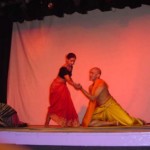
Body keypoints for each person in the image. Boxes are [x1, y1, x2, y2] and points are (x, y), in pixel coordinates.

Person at [79, 67, 145, 127]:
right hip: (101, 109)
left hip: (110, 106)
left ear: (98, 75)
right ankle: (112, 123)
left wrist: (81, 88)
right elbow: (95, 102)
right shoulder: (90, 87)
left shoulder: (101, 83)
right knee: (88, 123)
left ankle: (139, 121)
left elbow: (93, 98)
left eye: (92, 73)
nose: (90, 74)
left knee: (130, 122)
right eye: (90, 73)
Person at [45, 53, 80, 127]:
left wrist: (74, 84)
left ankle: (64, 123)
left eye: (74, 61)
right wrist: (75, 85)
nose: (72, 62)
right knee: (55, 105)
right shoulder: (63, 68)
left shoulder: (70, 67)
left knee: (66, 104)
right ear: (66, 59)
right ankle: (46, 122)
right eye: (71, 61)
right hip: (56, 87)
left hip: (62, 86)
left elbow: (70, 78)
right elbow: (68, 80)